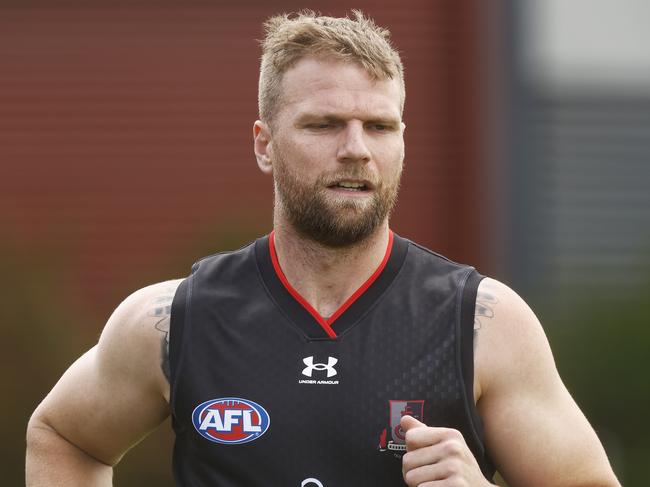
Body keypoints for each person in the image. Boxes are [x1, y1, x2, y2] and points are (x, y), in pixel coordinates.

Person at [26, 10, 620, 487]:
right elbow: (63, 438)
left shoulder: (484, 324)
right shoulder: (174, 320)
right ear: (264, 144)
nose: (357, 149)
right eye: (324, 124)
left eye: (380, 127)